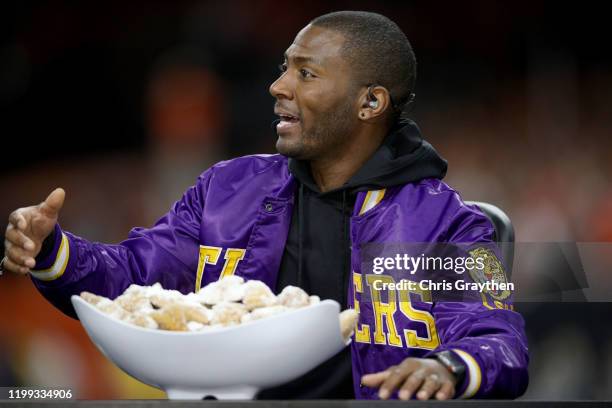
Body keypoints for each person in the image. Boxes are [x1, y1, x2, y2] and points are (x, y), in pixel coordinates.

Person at [2, 11, 528, 400]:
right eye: (284, 69)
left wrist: (448, 368)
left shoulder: (452, 222)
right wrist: (54, 251)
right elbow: (134, 280)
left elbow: (497, 338)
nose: (277, 86)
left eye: (306, 73)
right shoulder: (226, 189)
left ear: (370, 102)